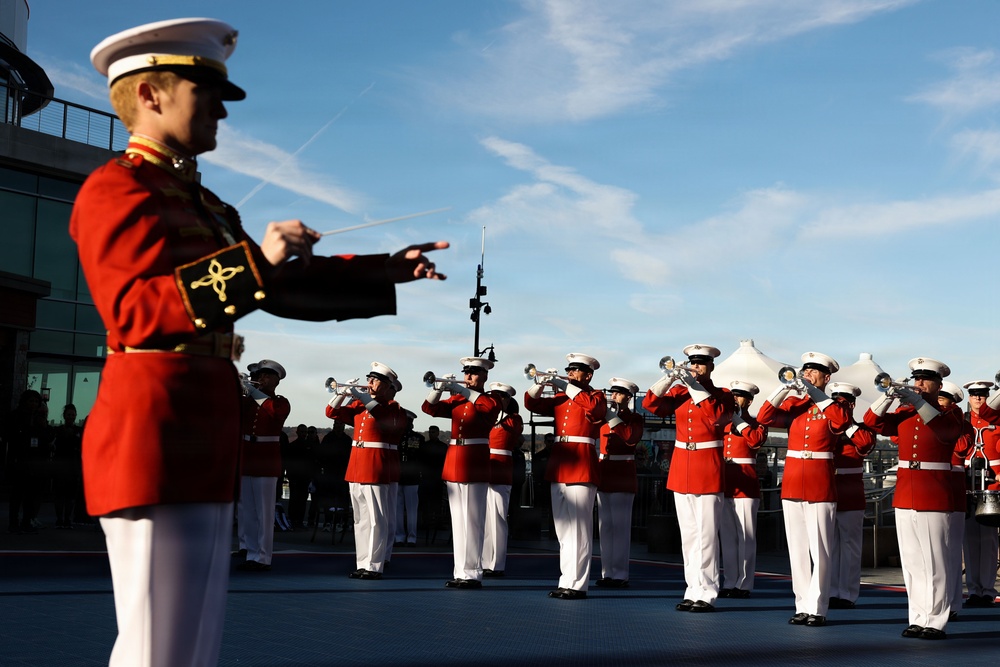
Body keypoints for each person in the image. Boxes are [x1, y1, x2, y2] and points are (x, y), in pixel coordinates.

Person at [71, 17, 449, 667]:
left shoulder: (208, 205)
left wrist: (384, 269)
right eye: (207, 93)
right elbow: (133, 311)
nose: (222, 110)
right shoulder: (118, 187)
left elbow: (279, 288)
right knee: (157, 644)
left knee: (192, 641)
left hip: (202, 430)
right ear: (151, 94)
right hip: (154, 431)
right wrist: (255, 261)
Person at [864, 357, 966, 640]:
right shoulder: (905, 412)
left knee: (935, 562)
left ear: (939, 385)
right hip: (906, 493)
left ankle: (936, 621)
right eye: (916, 378)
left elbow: (945, 432)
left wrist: (918, 401)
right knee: (912, 564)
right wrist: (888, 396)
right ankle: (918, 618)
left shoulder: (951, 414)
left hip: (934, 494)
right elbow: (872, 422)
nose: (919, 383)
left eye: (925, 379)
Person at [756, 351, 850, 627]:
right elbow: (764, 417)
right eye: (805, 370)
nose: (807, 374)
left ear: (826, 377)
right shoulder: (794, 404)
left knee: (820, 549)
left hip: (820, 483)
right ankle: (802, 604)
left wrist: (814, 393)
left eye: (814, 371)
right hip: (793, 481)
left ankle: (818, 607)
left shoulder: (835, 405)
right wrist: (784, 389)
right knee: (797, 549)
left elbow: (841, 421)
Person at [643, 344, 735, 613]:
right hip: (682, 467)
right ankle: (692, 589)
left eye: (700, 363)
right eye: (692, 363)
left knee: (706, 536)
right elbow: (650, 404)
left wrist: (693, 386)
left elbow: (717, 417)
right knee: (690, 536)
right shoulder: (679, 392)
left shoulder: (722, 395)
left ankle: (707, 592)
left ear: (711, 367)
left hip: (707, 468)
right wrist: (669, 378)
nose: (695, 367)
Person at [524, 353, 607, 600]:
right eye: (568, 369)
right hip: (560, 464)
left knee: (579, 530)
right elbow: (531, 403)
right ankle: (566, 580)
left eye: (575, 369)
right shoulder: (561, 397)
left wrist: (563, 385)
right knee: (563, 530)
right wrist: (540, 383)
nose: (569, 373)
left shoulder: (596, 395)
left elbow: (595, 409)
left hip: (581, 463)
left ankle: (578, 584)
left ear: (588, 375)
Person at [422, 357, 502, 589]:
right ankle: (461, 571)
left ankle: (473, 573)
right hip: (455, 461)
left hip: (474, 462)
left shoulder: (491, 398)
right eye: (466, 372)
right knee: (458, 522)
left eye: (473, 373)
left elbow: (489, 409)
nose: (467, 376)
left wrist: (461, 390)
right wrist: (438, 389)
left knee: (473, 521)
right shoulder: (458, 399)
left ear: (485, 376)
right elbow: (429, 408)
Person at [326, 363, 407, 579]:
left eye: (375, 380)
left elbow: (381, 415)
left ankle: (374, 565)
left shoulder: (393, 408)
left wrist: (360, 396)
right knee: (360, 519)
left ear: (387, 386)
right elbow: (331, 412)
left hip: (375, 466)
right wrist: (342, 394)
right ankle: (362, 562)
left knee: (376, 519)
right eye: (368, 378)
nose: (369, 383)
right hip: (357, 465)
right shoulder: (360, 406)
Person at [236, 359, 289, 571]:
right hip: (247, 458)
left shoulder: (280, 402)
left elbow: (273, 411)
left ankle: (263, 556)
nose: (261, 378)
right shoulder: (248, 400)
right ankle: (250, 551)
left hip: (266, 460)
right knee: (246, 510)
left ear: (276, 380)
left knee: (264, 512)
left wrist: (251, 391)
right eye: (259, 375)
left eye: (266, 375)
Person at [827, 382, 876, 610]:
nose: (838, 407)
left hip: (850, 494)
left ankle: (846, 593)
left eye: (843, 403)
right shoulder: (826, 428)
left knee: (850, 546)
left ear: (852, 405)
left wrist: (845, 424)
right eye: (835, 403)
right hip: (827, 491)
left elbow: (865, 444)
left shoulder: (861, 430)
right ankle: (829, 591)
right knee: (828, 546)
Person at [719, 380, 768, 599]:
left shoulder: (756, 423)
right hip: (725, 483)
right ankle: (730, 581)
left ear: (749, 401)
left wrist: (738, 421)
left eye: (739, 396)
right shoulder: (723, 423)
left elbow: (755, 441)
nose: (735, 400)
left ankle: (744, 584)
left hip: (746, 485)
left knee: (746, 537)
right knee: (727, 537)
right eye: (733, 396)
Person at [595, 377, 644, 588]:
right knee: (605, 527)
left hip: (622, 472)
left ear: (628, 397)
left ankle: (620, 574)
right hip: (604, 471)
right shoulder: (603, 417)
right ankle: (607, 572)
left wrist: (612, 417)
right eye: (612, 392)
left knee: (620, 527)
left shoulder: (634, 418)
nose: (613, 396)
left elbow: (630, 438)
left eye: (618, 393)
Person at [961, 380, 999, 608]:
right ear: (969, 397)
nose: (978, 398)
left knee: (989, 540)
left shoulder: (997, 420)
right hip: (967, 484)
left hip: (991, 486)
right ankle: (974, 590)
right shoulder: (962, 420)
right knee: (969, 540)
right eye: (974, 394)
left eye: (982, 394)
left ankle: (987, 590)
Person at [483, 382, 524, 577]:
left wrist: (498, 409)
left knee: (498, 518)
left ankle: (497, 563)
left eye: (500, 397)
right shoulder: (487, 416)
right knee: (485, 519)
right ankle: (485, 560)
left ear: (507, 400)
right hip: (485, 467)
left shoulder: (514, 419)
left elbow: (513, 432)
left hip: (501, 469)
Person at [2, 390, 53, 534]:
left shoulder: (38, 418)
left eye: (36, 402)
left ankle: (26, 521)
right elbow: (9, 437)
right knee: (17, 494)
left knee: (30, 494)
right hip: (20, 460)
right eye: (31, 401)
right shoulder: (15, 417)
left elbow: (46, 437)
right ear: (24, 402)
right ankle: (14, 522)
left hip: (34, 461)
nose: (33, 404)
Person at [51, 404, 84, 529]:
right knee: (60, 494)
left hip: (73, 467)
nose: (70, 417)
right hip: (60, 466)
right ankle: (60, 519)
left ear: (75, 416)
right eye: (69, 414)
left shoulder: (79, 431)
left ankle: (67, 519)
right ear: (64, 416)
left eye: (72, 415)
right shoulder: (58, 431)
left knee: (70, 495)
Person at [396, 411, 425, 547]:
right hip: (397, 475)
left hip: (412, 476)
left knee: (412, 509)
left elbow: (422, 457)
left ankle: (412, 537)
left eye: (409, 422)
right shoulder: (395, 437)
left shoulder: (418, 438)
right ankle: (399, 536)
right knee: (397, 509)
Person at [283, 424, 315, 529]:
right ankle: (292, 520)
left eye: (305, 432)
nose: (304, 434)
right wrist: (290, 476)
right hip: (295, 477)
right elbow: (288, 463)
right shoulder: (292, 446)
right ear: (297, 432)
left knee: (302, 500)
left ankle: (300, 521)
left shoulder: (310, 446)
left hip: (305, 477)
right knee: (294, 499)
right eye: (302, 432)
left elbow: (312, 463)